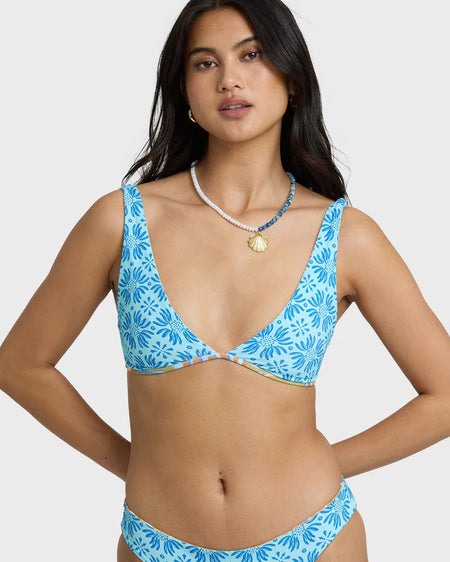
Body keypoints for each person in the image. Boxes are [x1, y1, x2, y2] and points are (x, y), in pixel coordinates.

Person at [0, 1, 449, 560]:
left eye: (252, 55)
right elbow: (20, 365)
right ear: (183, 90)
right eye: (205, 63)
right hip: (158, 541)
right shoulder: (121, 221)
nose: (229, 79)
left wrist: (324, 461)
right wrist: (132, 462)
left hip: (313, 537)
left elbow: (444, 394)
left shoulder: (345, 236)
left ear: (293, 79)